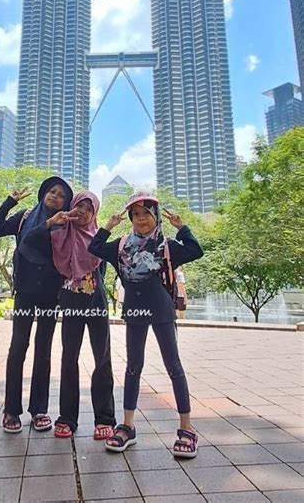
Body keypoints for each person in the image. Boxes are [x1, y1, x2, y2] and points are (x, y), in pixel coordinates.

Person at [88, 193, 203, 457]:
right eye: (136, 215)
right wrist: (107, 227)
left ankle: (187, 429)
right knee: (133, 367)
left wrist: (182, 228)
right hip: (135, 310)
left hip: (162, 309)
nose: (141, 219)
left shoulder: (167, 245)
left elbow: (196, 250)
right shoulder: (120, 246)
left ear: (155, 217)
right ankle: (127, 426)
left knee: (173, 366)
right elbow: (94, 248)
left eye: (146, 214)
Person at [24, 191, 116, 440]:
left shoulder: (99, 237)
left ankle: (105, 418)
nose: (83, 211)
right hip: (70, 301)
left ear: (94, 212)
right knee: (69, 358)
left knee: (102, 358)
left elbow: (103, 268)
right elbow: (28, 243)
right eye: (79, 206)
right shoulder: (59, 234)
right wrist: (54, 221)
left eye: (89, 208)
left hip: (96, 301)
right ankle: (67, 418)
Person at [0, 176, 73, 434]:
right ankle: (11, 410)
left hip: (50, 293)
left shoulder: (65, 225)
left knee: (43, 350)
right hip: (25, 290)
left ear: (65, 203)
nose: (54, 196)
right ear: (43, 193)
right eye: (51, 191)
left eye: (61, 195)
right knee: (18, 348)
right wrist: (9, 202)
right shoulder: (26, 217)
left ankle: (39, 410)